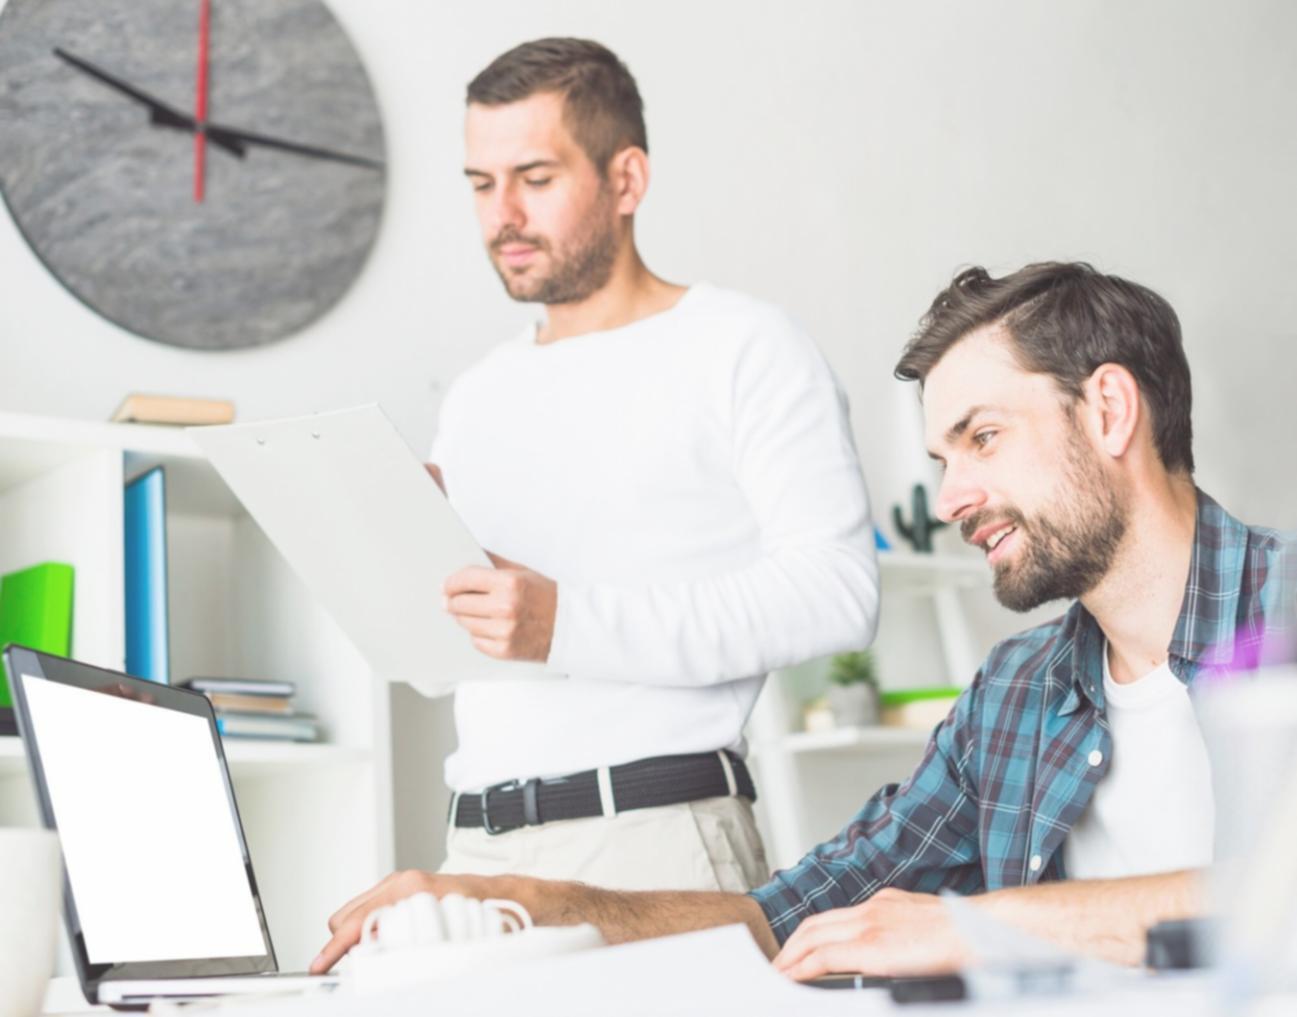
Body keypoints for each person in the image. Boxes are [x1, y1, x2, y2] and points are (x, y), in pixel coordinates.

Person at [313, 261, 1294, 978]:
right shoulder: (1017, 695)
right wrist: (522, 901)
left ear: (1109, 410)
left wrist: (981, 927)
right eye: (943, 460)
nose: (953, 498)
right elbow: (784, 913)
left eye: (983, 437)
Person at [424, 38, 880, 893]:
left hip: (657, 841)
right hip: (475, 846)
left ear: (626, 179)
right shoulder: (475, 394)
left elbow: (837, 592)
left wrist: (565, 622)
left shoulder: (744, 346)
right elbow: (452, 655)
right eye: (481, 185)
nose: (501, 215)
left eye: (535, 178)